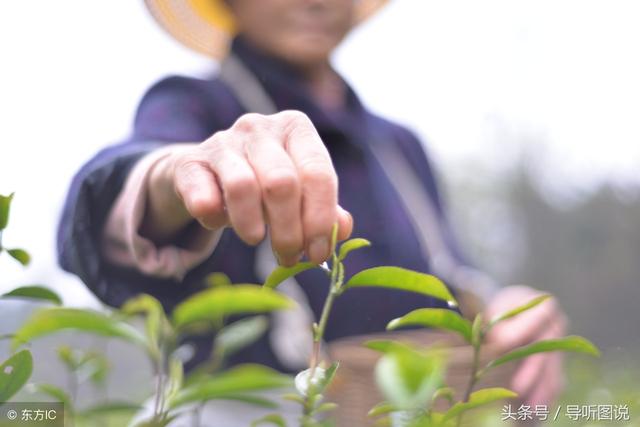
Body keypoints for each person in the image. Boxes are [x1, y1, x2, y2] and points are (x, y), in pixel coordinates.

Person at [58, 0, 566, 419]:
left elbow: (446, 277)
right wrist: (180, 172)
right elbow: (113, 191)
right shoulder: (193, 105)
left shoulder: (397, 146)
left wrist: (506, 313)